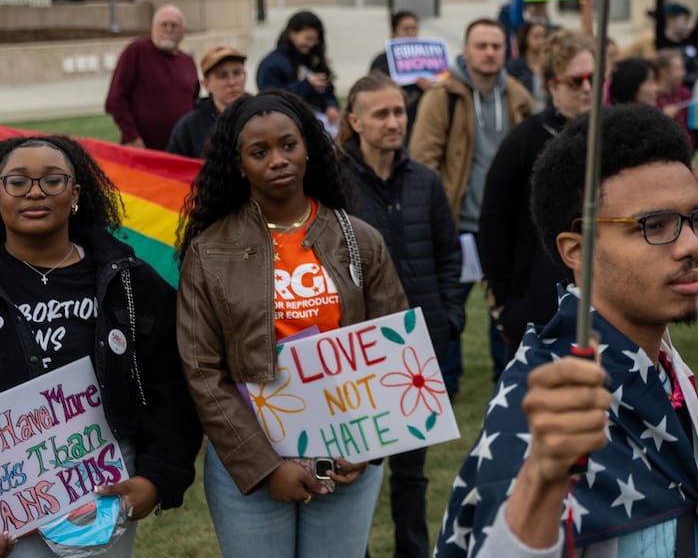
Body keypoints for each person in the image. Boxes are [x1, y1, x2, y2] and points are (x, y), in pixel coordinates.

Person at [436, 106, 698, 558]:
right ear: (577, 250)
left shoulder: (662, 364)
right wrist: (540, 485)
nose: (692, 244)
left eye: (696, 218)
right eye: (655, 226)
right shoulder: (539, 412)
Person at [176, 91, 408, 558]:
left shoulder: (359, 240)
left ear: (309, 148)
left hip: (349, 448)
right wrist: (265, 466)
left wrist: (367, 448)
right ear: (238, 164)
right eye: (259, 152)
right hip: (252, 452)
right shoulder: (209, 251)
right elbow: (201, 370)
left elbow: (394, 345)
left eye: (288, 145)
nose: (278, 160)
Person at [0, 135, 200, 558]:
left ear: (75, 194)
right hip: (9, 489)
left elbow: (169, 388)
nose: (35, 191)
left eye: (52, 180)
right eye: (16, 181)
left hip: (104, 479)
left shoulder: (129, 282)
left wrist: (156, 478)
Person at [339, 74, 466, 557]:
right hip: (359, 351)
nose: (394, 122)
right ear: (355, 121)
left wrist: (450, 317)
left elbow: (447, 254)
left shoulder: (425, 181)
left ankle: (413, 550)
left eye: (399, 112)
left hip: (419, 347)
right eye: (381, 114)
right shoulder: (336, 182)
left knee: (411, 472)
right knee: (359, 468)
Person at [410, 17, 534, 393]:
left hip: (505, 223)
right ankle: (445, 382)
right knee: (449, 305)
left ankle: (507, 376)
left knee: (507, 305)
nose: (489, 53)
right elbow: (423, 158)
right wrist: (434, 214)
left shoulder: (518, 96)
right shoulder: (441, 96)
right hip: (456, 222)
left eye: (496, 46)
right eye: (481, 45)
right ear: (465, 51)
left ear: (506, 51)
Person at [477, 29, 594, 374]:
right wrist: (505, 299)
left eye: (593, 78)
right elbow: (493, 220)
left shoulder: (612, 134)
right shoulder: (525, 140)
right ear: (553, 85)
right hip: (537, 295)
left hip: (605, 291)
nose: (587, 88)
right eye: (576, 82)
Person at [104, 4, 199, 150]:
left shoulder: (187, 62)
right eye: (163, 25)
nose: (168, 30)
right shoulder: (137, 51)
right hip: (143, 150)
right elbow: (115, 100)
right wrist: (132, 136)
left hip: (180, 150)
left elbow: (193, 103)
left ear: (183, 31)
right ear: (153, 28)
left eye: (174, 25)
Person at [257, 10, 340, 129]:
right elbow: (270, 99)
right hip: (286, 123)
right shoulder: (271, 64)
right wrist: (306, 84)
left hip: (321, 121)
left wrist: (331, 105)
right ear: (292, 33)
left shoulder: (314, 59)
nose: (311, 44)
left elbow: (328, 90)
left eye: (315, 40)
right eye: (307, 39)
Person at [166, 45, 249, 158]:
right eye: (222, 75)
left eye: (237, 73)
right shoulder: (189, 127)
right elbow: (173, 168)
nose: (232, 82)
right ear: (206, 84)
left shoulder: (263, 115)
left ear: (245, 76)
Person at [368, 9, 438, 131]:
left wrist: (431, 89)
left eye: (414, 29)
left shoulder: (429, 60)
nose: (411, 33)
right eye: (406, 29)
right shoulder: (381, 61)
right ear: (394, 33)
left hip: (423, 123)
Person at [504, 20, 550, 106]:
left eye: (544, 37)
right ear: (525, 38)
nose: (541, 41)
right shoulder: (513, 67)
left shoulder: (551, 66)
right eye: (536, 37)